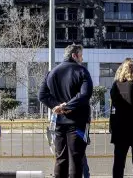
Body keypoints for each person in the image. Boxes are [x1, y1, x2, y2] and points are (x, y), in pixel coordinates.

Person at [39, 44, 92, 178]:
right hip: (78, 123)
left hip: (59, 122)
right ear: (74, 55)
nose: (82, 58)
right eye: (81, 55)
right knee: (76, 158)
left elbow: (42, 95)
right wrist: (67, 106)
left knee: (60, 158)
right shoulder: (82, 71)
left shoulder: (52, 73)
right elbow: (85, 94)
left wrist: (57, 106)